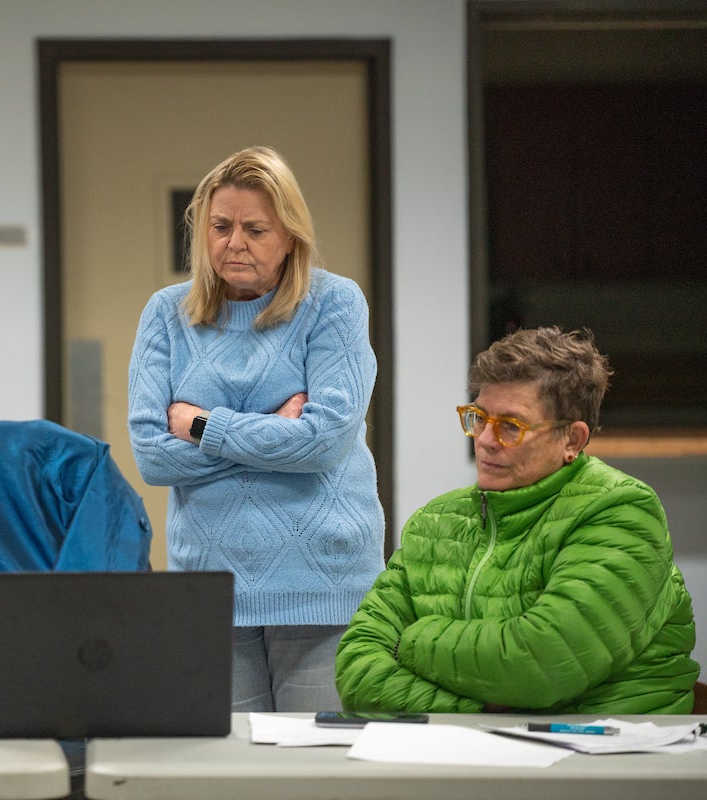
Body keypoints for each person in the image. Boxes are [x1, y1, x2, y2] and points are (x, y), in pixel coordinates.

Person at [128, 145, 385, 712]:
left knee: (316, 777)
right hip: (209, 588)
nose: (234, 242)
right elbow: (152, 456)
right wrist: (273, 430)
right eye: (220, 226)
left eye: (255, 228)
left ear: (290, 235)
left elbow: (323, 442)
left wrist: (200, 424)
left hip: (323, 586)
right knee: (228, 779)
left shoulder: (335, 304)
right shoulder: (167, 314)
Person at [336, 326, 699, 714]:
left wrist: (411, 640)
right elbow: (357, 672)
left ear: (572, 440)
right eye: (478, 418)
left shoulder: (620, 511)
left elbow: (541, 662)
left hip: (609, 757)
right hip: (476, 753)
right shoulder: (436, 521)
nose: (486, 440)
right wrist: (484, 712)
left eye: (511, 426)